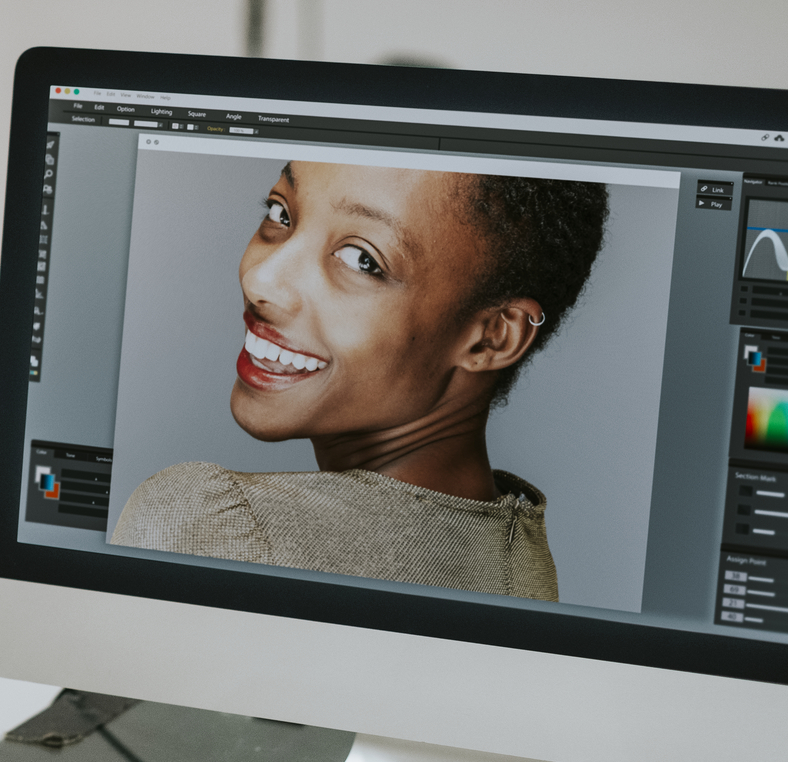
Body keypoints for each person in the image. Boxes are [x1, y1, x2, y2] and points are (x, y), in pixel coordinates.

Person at [110, 160, 607, 601]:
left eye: (362, 259)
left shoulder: (218, 534)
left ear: (491, 339)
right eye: (282, 214)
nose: (261, 280)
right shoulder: (517, 570)